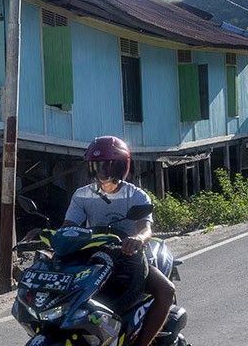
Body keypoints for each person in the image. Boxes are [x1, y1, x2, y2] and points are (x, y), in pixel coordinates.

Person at [36, 136, 175, 346]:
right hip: (93, 256)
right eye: (98, 164)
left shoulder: (136, 196)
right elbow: (68, 227)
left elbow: (146, 228)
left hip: (130, 257)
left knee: (166, 291)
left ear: (122, 165)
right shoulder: (82, 195)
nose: (103, 169)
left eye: (110, 163)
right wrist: (47, 236)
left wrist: (137, 238)